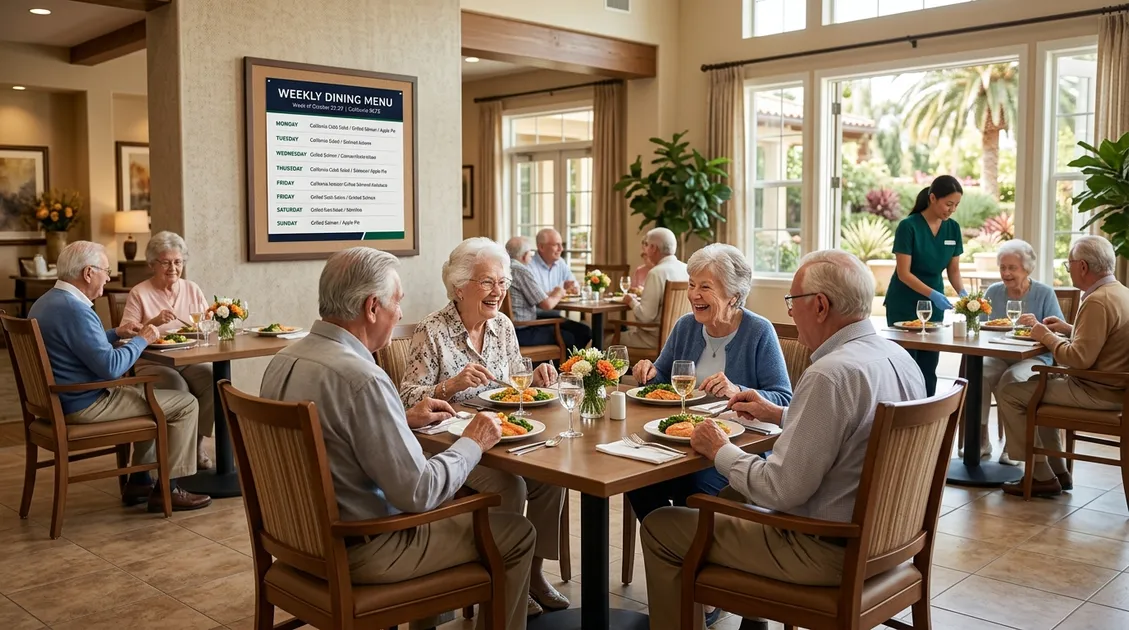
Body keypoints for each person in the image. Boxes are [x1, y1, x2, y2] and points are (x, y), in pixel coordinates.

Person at [640, 250, 927, 630]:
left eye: (793, 302)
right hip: (890, 544)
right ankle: (750, 619)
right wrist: (778, 414)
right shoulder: (900, 357)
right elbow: (851, 427)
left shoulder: (830, 374)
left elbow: (780, 490)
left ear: (821, 306)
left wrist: (720, 450)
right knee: (726, 497)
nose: (790, 313)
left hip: (822, 549)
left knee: (662, 525)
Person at [259, 247, 535, 630]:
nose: (401, 314)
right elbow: (419, 493)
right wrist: (473, 440)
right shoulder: (363, 379)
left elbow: (338, 438)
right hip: (364, 548)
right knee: (516, 533)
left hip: (295, 544)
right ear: (372, 307)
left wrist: (400, 419)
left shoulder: (283, 361)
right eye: (397, 303)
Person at [399, 237, 570, 617]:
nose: (499, 292)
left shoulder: (503, 327)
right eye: (488, 282)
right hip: (449, 444)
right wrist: (450, 385)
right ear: (460, 287)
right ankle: (506, 582)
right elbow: (406, 398)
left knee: (553, 477)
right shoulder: (432, 330)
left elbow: (513, 383)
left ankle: (533, 574)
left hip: (503, 436)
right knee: (511, 485)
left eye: (504, 282)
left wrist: (536, 379)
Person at [27, 241, 210, 512]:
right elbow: (111, 367)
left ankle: (138, 480)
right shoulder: (76, 311)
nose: (109, 277)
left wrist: (116, 333)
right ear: (88, 273)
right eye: (106, 270)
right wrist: (144, 338)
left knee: (155, 398)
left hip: (60, 400)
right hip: (84, 404)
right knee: (184, 403)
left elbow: (81, 344)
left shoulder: (48, 302)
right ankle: (168, 490)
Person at [629, 243, 792, 520]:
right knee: (636, 480)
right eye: (692, 285)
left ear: (733, 295)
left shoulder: (758, 331)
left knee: (695, 488)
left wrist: (738, 391)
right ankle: (670, 548)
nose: (694, 295)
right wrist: (648, 372)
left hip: (733, 451)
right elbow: (662, 380)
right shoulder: (685, 326)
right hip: (680, 443)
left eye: (705, 287)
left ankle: (691, 551)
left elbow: (784, 398)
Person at [999, 236, 1129, 498]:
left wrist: (1043, 334)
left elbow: (1079, 359)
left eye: (1069, 264)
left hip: (1096, 391)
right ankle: (1057, 471)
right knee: (1037, 391)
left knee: (1011, 392)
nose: (1068, 269)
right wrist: (1069, 330)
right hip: (1116, 389)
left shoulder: (1096, 300)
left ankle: (1040, 475)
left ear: (1082, 266)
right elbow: (1105, 341)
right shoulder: (1121, 292)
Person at [120, 231, 216, 470]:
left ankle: (195, 445)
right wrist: (154, 321)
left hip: (188, 359)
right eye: (166, 262)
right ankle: (172, 458)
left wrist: (211, 321)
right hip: (152, 362)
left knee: (213, 382)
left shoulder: (192, 288)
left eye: (178, 261)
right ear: (153, 264)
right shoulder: (139, 293)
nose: (173, 267)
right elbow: (125, 333)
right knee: (178, 388)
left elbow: (204, 325)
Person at [975, 239, 1063, 464]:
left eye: (1012, 268)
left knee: (1012, 379)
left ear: (1026, 268)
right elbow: (980, 327)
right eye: (1003, 267)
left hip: (1035, 358)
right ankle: (982, 439)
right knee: (980, 373)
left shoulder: (1044, 293)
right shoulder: (993, 291)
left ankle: (1012, 446)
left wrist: (1037, 326)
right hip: (1000, 354)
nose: (1006, 273)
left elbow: (1059, 330)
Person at [885, 175, 967, 396]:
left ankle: (928, 420)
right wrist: (933, 294)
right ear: (932, 198)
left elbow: (954, 271)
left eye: (956, 205)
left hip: (934, 306)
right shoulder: (908, 227)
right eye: (948, 204)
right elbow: (903, 273)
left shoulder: (953, 229)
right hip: (904, 302)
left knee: (929, 366)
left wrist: (964, 294)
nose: (952, 210)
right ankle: (904, 416)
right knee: (907, 364)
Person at [504, 235, 591, 350]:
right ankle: (567, 367)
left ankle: (571, 365)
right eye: (530, 254)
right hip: (523, 330)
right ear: (525, 255)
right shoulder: (521, 270)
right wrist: (559, 292)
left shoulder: (505, 267)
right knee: (572, 336)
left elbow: (535, 295)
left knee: (581, 330)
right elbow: (547, 305)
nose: (531, 257)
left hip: (510, 328)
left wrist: (553, 292)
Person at [620, 227, 689, 349]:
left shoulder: (656, 273)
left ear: (653, 248)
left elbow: (646, 317)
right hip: (682, 338)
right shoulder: (687, 269)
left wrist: (631, 301)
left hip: (653, 340)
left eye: (646, 245)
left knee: (604, 339)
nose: (645, 250)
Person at [529, 228, 578, 296]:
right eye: (556, 245)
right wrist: (559, 292)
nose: (561, 249)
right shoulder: (529, 267)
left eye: (561, 245)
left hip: (561, 306)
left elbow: (574, 285)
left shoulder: (561, 262)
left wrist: (573, 287)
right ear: (541, 247)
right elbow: (536, 298)